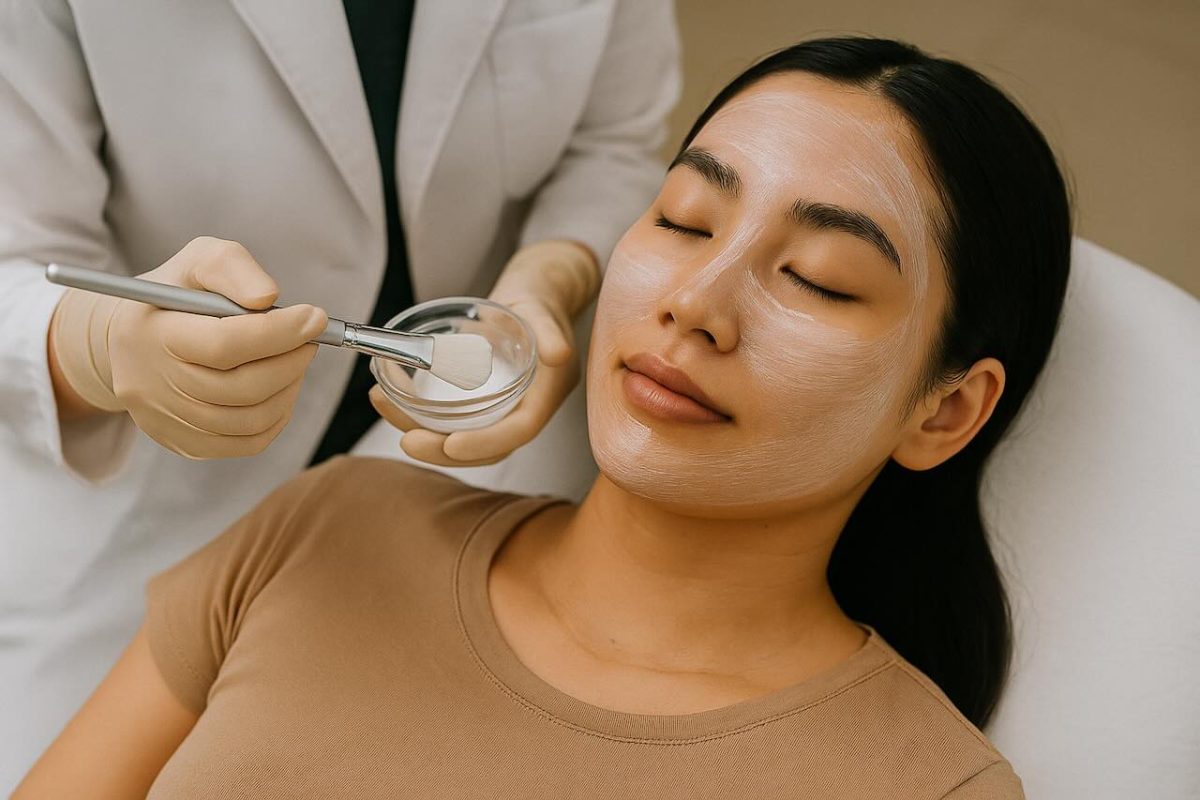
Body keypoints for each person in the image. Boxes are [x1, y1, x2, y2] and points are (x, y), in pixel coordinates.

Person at [15, 36, 1071, 799]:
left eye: (818, 278)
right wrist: (86, 339)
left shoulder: (925, 783)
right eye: (683, 218)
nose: (693, 303)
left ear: (944, 412)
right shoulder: (331, 525)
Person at [0, 0, 680, 787]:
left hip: (467, 460)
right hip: (141, 502)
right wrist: (97, 344)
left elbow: (611, 144)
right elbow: (20, 252)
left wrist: (552, 275)